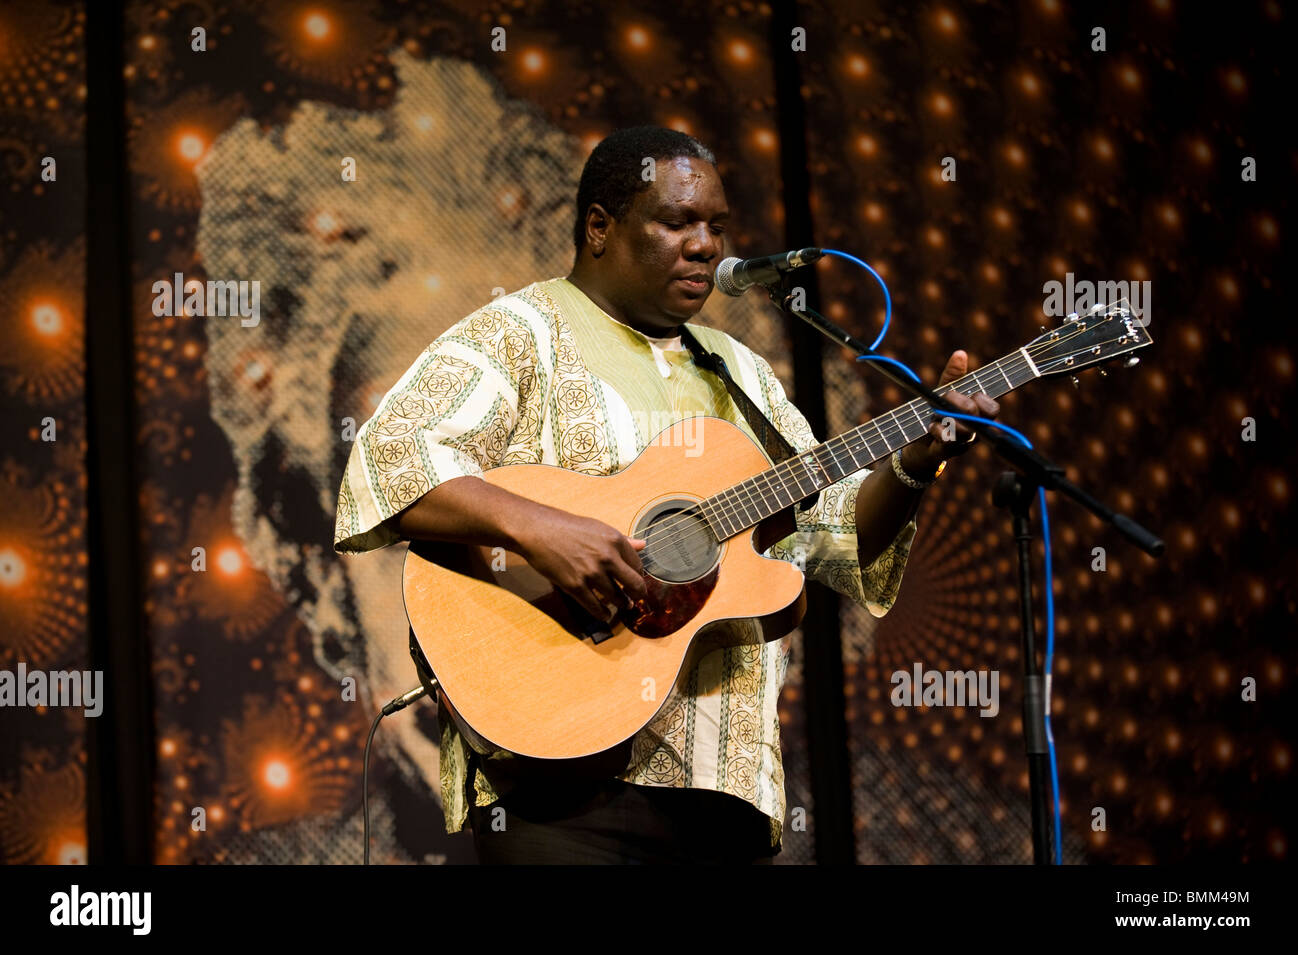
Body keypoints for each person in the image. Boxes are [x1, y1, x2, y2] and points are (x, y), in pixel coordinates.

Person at [332, 126, 998, 864]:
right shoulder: (520, 334)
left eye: (716, 226)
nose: (706, 245)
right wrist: (544, 531)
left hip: (721, 793)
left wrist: (918, 455)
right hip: (564, 777)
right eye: (678, 222)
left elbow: (837, 538)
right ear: (599, 228)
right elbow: (391, 460)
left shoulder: (740, 374)